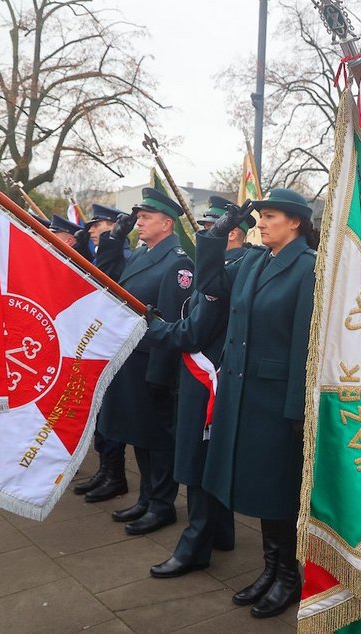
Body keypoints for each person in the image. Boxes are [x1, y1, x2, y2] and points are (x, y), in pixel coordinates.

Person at [195, 188, 317, 619]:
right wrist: (220, 230)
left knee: (279, 491)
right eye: (259, 216)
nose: (261, 223)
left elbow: (306, 344)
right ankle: (271, 569)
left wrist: (297, 410)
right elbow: (210, 284)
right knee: (262, 489)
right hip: (242, 392)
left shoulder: (308, 268)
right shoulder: (252, 261)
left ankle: (288, 576)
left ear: (296, 222)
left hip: (276, 399)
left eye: (270, 216)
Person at [146, 196, 253, 579]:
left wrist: (157, 329)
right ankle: (219, 532)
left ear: (234, 234)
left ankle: (196, 544)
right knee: (209, 457)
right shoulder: (231, 265)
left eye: (213, 231)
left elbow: (194, 331)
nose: (206, 238)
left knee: (196, 461)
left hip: (205, 376)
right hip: (208, 375)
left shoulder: (228, 268)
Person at [97, 187, 194, 535]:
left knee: (158, 438)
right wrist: (112, 239)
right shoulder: (142, 254)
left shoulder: (178, 261)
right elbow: (107, 279)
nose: (139, 221)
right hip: (131, 359)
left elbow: (172, 320)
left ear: (167, 223)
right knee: (138, 432)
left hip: (153, 363)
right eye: (138, 216)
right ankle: (146, 498)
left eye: (146, 217)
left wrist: (160, 373)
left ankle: (162, 505)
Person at [71, 205, 134, 503]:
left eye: (98, 225)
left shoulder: (125, 258)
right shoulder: (104, 253)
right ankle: (106, 470)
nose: (93, 230)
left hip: (115, 346)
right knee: (101, 414)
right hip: (98, 343)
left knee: (112, 414)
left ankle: (115, 475)